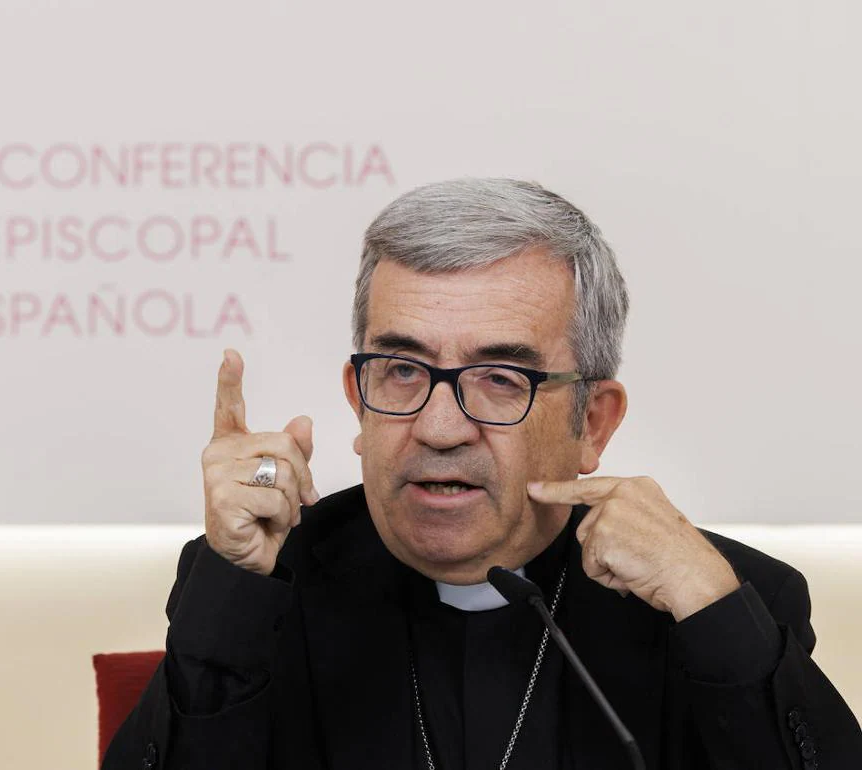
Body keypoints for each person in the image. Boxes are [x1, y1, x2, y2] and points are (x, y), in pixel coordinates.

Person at [101, 178, 862, 770]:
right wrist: (231, 597)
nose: (438, 427)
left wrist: (715, 612)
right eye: (401, 370)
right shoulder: (264, 588)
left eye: (500, 377)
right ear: (356, 402)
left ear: (593, 421)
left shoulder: (713, 602)